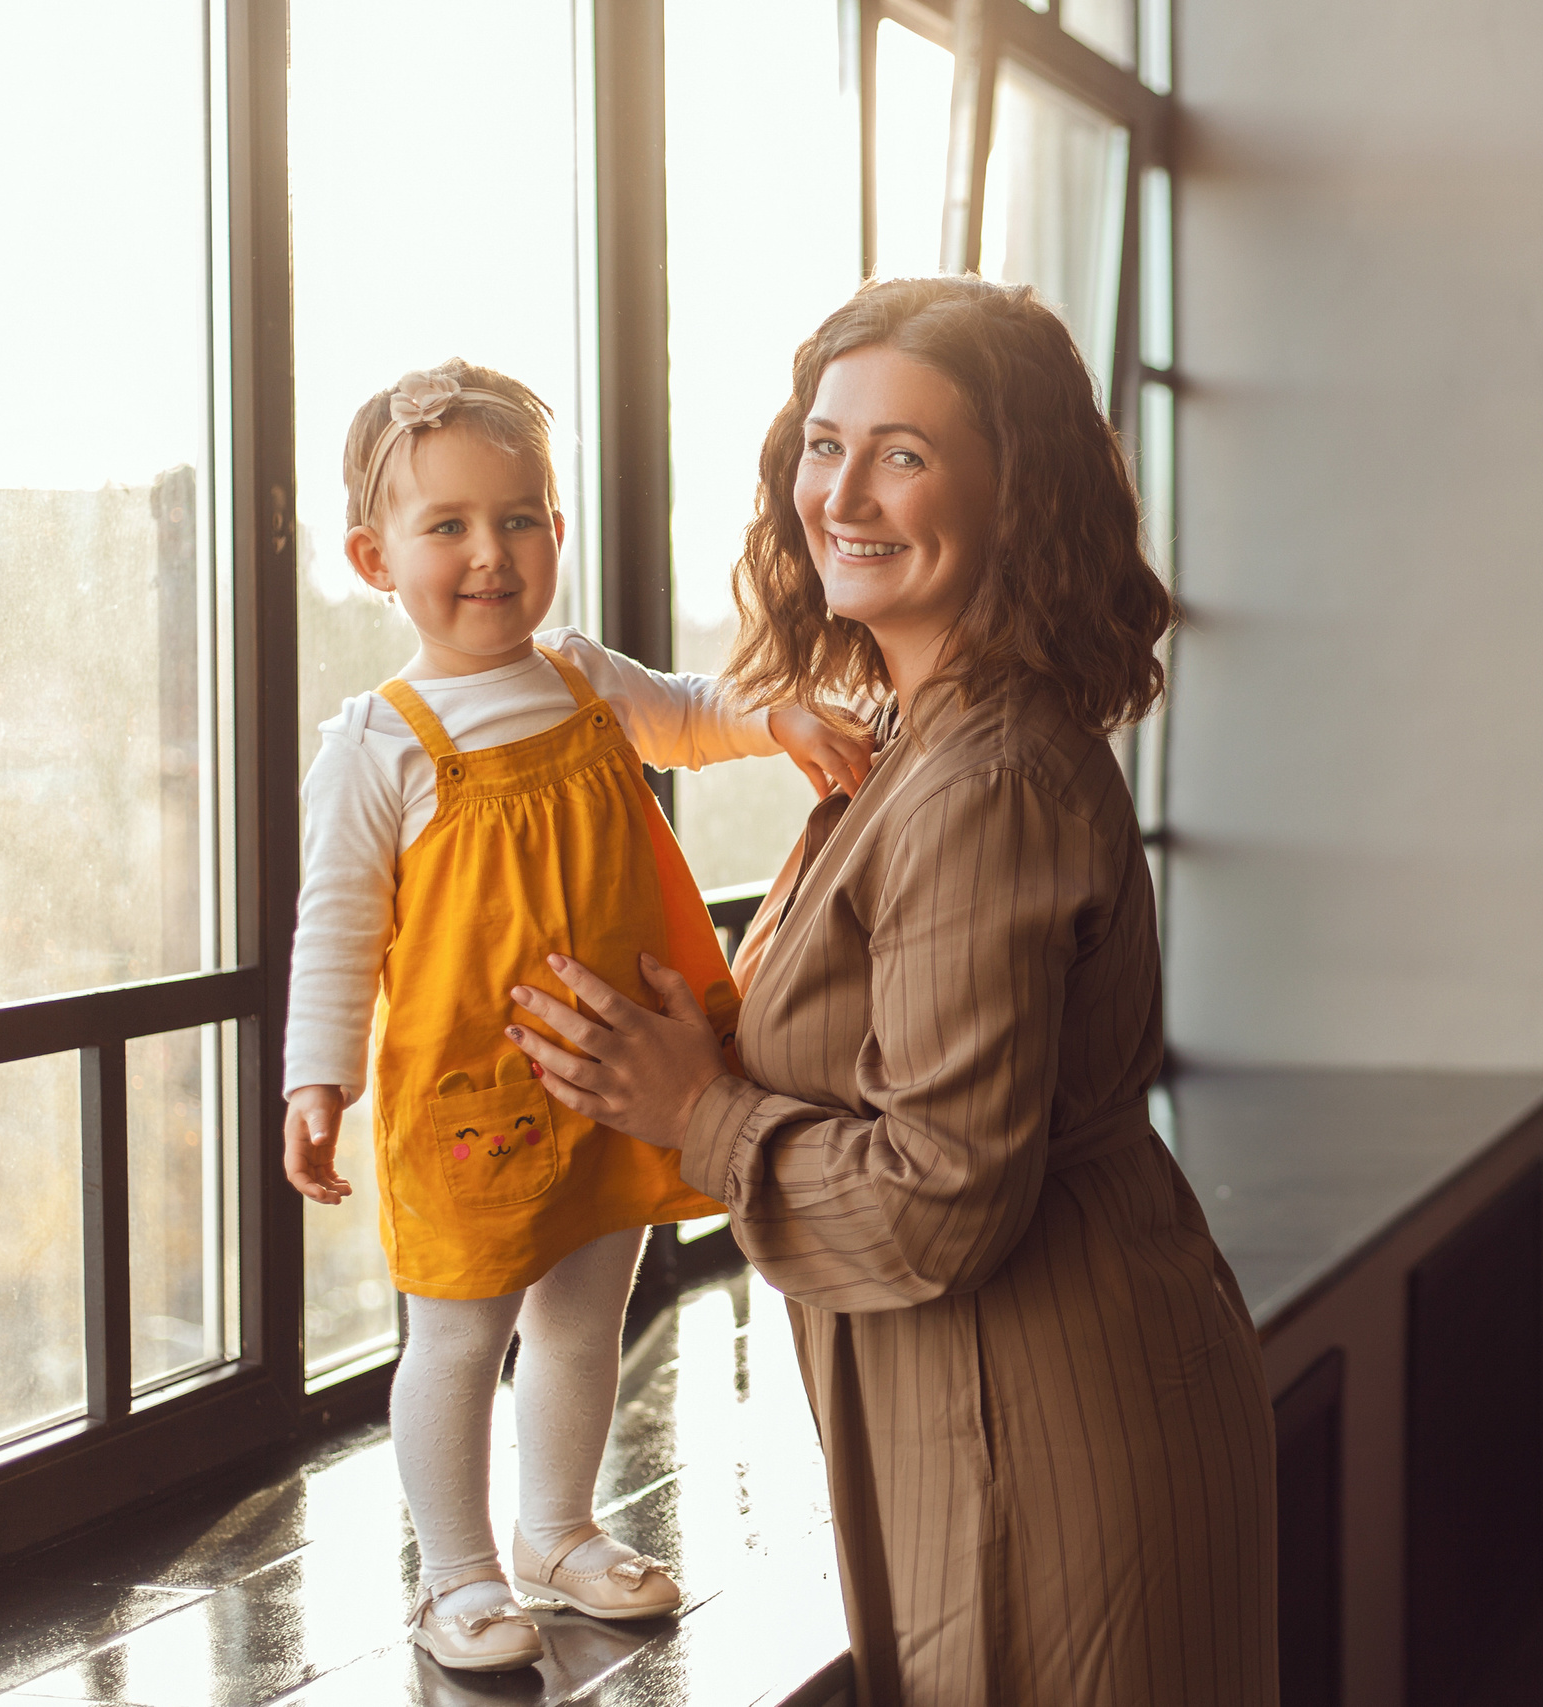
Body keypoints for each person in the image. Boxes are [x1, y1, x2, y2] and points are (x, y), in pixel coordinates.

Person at [503, 278, 1281, 1705]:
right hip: (991, 1403)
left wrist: (700, 1111)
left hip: (1044, 1424)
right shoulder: (921, 741)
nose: (842, 492)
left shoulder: (982, 781)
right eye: (822, 441)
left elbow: (939, 1196)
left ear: (1015, 494)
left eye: (904, 454)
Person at [280, 359, 873, 1672]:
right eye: (449, 526)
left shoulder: (586, 679)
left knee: (585, 1313)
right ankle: (455, 1577)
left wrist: (776, 714)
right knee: (457, 1334)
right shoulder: (380, 741)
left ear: (557, 529)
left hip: (613, 1076)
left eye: (521, 517)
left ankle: (554, 1529)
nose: (490, 554)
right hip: (469, 1100)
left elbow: (696, 717)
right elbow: (334, 931)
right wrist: (314, 1081)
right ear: (376, 556)